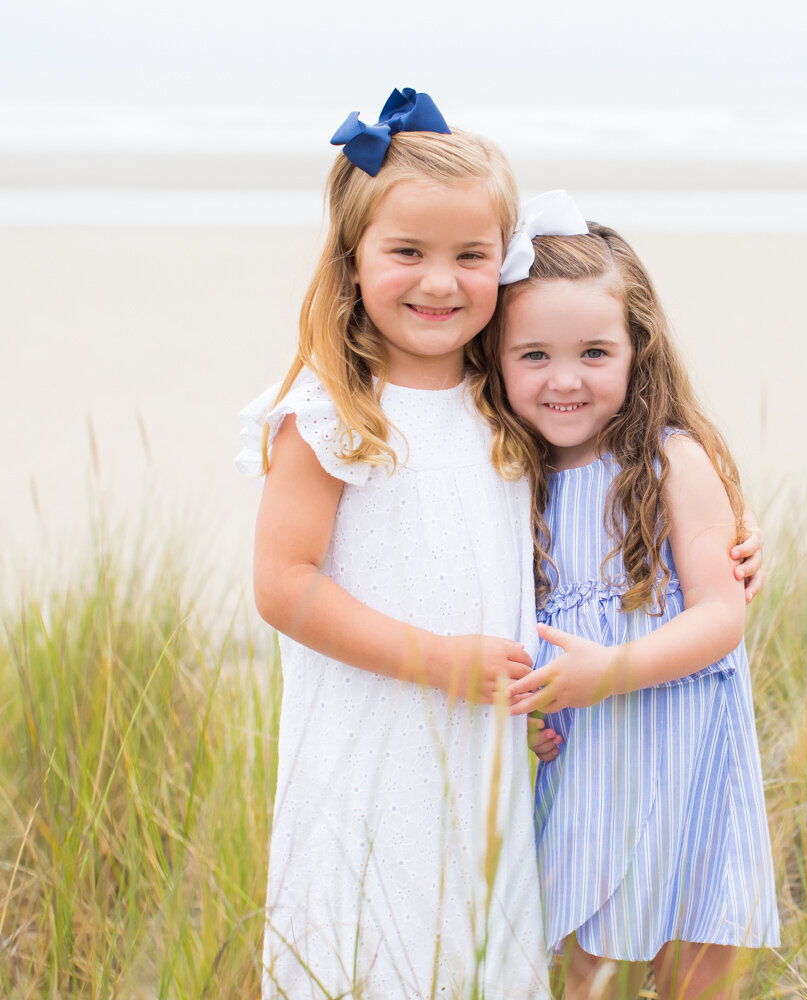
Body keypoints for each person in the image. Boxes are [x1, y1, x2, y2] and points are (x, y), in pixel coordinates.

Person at [235, 89, 551, 1000]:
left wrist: (732, 535)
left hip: (482, 750)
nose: (440, 283)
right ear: (354, 258)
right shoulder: (333, 411)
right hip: (368, 749)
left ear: (505, 259)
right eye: (408, 253)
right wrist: (435, 659)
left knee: (472, 951)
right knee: (370, 946)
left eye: (470, 256)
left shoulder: (507, 403)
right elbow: (283, 584)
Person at [477, 196, 780, 1000]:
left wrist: (610, 671)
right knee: (592, 969)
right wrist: (533, 708)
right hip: (590, 765)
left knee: (695, 966)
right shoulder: (513, 478)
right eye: (534, 354)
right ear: (496, 360)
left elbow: (721, 615)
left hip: (686, 753)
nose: (565, 379)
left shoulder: (671, 462)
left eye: (594, 352)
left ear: (637, 349)